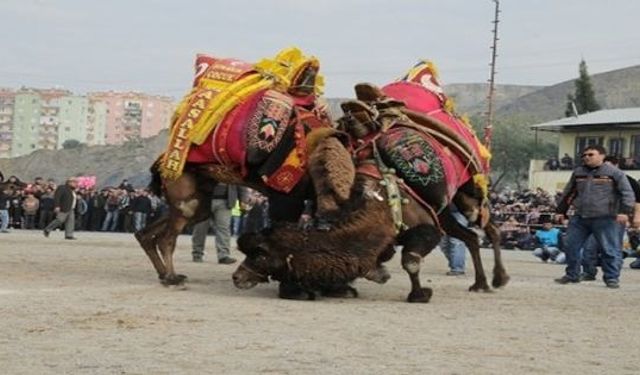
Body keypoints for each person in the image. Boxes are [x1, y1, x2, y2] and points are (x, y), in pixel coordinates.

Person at [554, 145, 635, 288]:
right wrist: (561, 211)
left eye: (591, 154)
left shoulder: (615, 173)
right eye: (584, 155)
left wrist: (624, 212)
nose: (586, 157)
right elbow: (569, 192)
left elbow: (627, 193)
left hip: (607, 217)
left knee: (609, 249)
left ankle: (611, 278)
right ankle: (572, 275)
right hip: (580, 217)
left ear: (602, 156)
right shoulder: (578, 172)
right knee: (570, 245)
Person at [581, 155, 640, 278]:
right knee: (589, 246)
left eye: (608, 165)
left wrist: (636, 217)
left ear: (616, 165)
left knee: (613, 247)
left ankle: (613, 275)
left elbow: (637, 202)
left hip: (616, 219)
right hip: (596, 217)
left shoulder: (629, 181)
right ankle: (589, 272)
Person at [191, 183, 246, 264]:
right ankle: (197, 253)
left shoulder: (233, 169)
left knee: (224, 228)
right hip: (204, 199)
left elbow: (238, 182)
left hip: (226, 201)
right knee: (200, 227)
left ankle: (223, 256)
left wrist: (243, 199)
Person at [439, 205, 468, 275]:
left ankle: (458, 268)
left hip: (459, 212)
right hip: (443, 213)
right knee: (443, 243)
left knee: (456, 241)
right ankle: (455, 264)